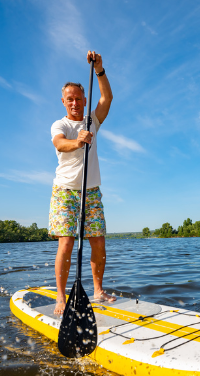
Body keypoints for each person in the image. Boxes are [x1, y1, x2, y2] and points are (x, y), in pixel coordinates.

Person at [49, 50, 116, 316]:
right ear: (64, 102)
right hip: (65, 192)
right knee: (65, 243)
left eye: (78, 99)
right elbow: (60, 144)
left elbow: (107, 98)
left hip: (91, 192)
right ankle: (61, 298)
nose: (75, 103)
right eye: (70, 100)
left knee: (98, 242)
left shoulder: (92, 120)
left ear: (84, 99)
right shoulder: (60, 124)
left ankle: (98, 291)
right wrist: (79, 141)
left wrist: (99, 69)